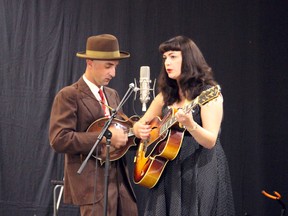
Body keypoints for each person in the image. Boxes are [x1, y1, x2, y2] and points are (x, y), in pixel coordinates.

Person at [132, 35, 235, 216]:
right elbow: (141, 123)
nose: (167, 63)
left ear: (188, 59)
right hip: (168, 168)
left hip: (199, 167)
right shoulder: (165, 95)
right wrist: (137, 129)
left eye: (173, 56)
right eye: (165, 58)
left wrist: (190, 124)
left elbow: (211, 140)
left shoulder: (208, 94)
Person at [49, 34, 138, 216]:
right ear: (90, 62)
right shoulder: (69, 95)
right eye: (108, 66)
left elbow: (122, 134)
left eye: (115, 66)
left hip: (120, 183)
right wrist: (108, 138)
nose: (113, 73)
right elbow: (59, 139)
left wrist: (136, 133)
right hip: (92, 186)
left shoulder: (113, 95)